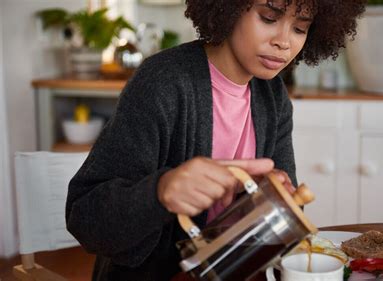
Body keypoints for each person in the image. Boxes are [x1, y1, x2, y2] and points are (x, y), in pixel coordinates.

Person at [65, 0, 366, 280]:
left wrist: (273, 200)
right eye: (269, 17)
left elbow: (290, 217)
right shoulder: (162, 83)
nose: (284, 41)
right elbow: (84, 218)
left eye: (300, 28)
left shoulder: (273, 98)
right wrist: (160, 192)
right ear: (229, 8)